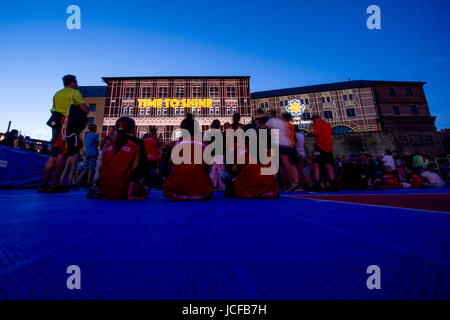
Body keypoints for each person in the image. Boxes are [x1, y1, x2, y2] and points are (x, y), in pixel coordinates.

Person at [38, 75, 89, 193]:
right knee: (63, 153)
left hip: (55, 124)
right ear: (71, 83)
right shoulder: (74, 93)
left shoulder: (57, 94)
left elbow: (54, 109)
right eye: (76, 82)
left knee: (53, 155)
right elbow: (85, 110)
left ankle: (43, 184)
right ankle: (54, 185)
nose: (77, 85)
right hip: (67, 125)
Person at [163, 114, 213, 201]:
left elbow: (172, 164)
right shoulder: (203, 143)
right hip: (201, 192)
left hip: (178, 192)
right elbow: (208, 166)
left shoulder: (176, 144)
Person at [97, 117, 148, 200]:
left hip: (104, 189)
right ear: (133, 128)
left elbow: (103, 163)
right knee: (145, 189)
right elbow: (140, 168)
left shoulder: (111, 144)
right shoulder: (136, 143)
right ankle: (130, 192)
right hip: (121, 189)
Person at [263, 112, 300, 192]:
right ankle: (293, 182)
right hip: (287, 144)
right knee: (287, 165)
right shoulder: (286, 124)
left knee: (273, 163)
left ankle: (274, 183)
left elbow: (263, 128)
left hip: (275, 145)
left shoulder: (272, 120)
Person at [311, 114, 338, 192]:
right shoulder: (328, 124)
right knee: (328, 164)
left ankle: (317, 184)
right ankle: (332, 184)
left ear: (315, 119)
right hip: (329, 146)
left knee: (315, 164)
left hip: (320, 146)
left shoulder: (318, 123)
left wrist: (310, 134)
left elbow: (315, 133)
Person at [207, 119, 225, 191]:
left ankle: (213, 186)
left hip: (212, 155)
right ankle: (222, 187)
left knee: (213, 171)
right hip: (219, 154)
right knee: (221, 171)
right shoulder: (221, 134)